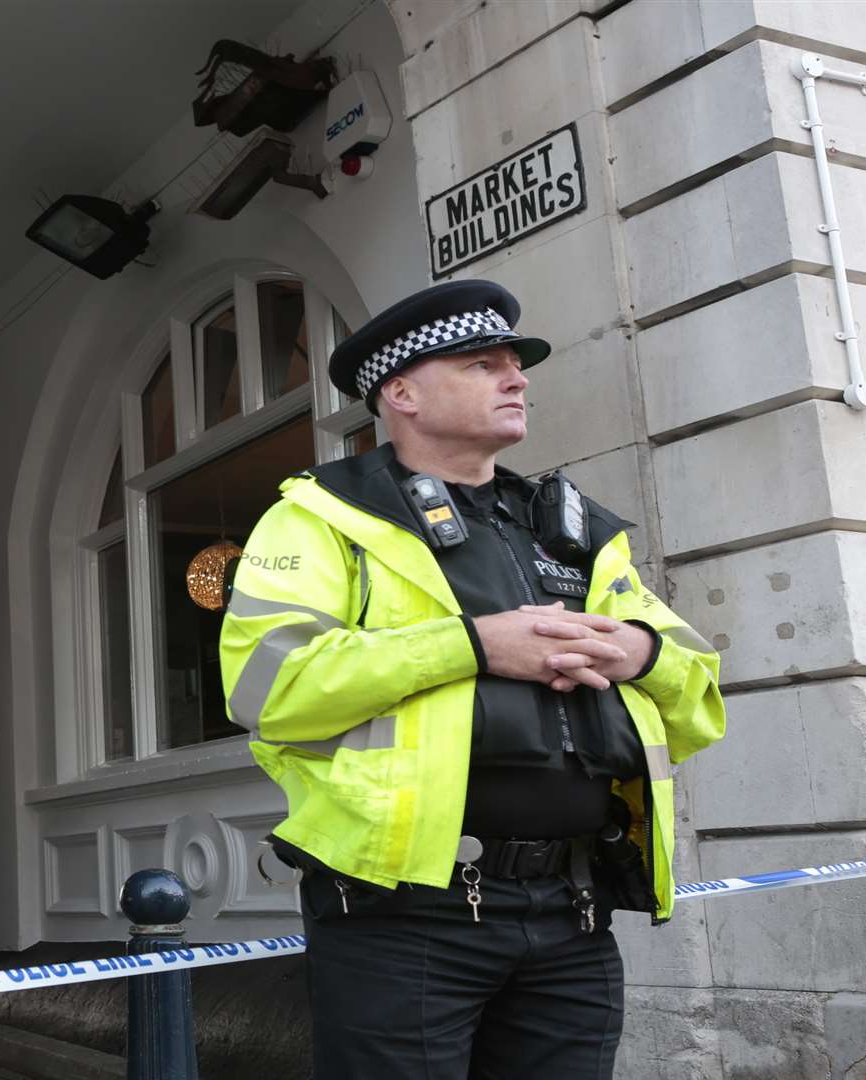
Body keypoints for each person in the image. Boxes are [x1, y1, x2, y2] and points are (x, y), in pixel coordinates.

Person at [218, 279, 725, 1079]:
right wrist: (473, 646)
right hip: (402, 914)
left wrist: (640, 653)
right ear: (402, 391)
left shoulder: (578, 533)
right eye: (483, 364)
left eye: (515, 366)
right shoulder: (319, 518)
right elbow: (269, 689)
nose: (516, 378)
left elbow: (700, 699)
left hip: (574, 910)